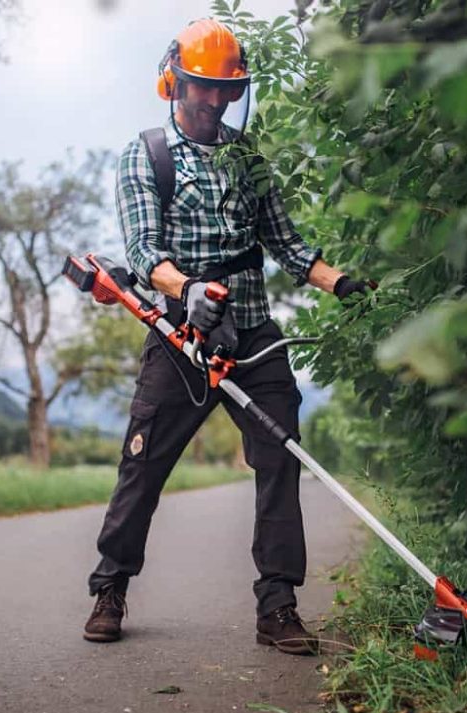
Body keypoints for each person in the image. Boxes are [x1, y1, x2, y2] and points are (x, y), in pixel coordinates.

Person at [83, 18, 374, 655]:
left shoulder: (248, 159)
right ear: (174, 81)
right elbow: (142, 250)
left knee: (280, 462)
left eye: (225, 89)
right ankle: (110, 587)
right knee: (144, 465)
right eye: (201, 88)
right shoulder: (146, 154)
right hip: (179, 337)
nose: (213, 101)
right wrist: (186, 289)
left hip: (253, 337)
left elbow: (290, 246)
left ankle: (279, 607)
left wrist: (345, 283)